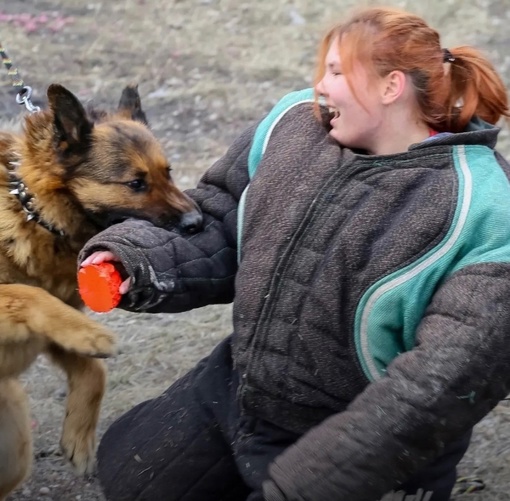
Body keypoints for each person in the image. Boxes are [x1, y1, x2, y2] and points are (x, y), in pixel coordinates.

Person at [79, 6, 510, 501]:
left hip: (362, 441)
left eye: (336, 72)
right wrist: (133, 259)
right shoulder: (293, 126)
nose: (320, 87)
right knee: (130, 477)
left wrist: (315, 480)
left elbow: (438, 384)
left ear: (391, 87)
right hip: (245, 392)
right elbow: (220, 216)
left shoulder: (483, 208)